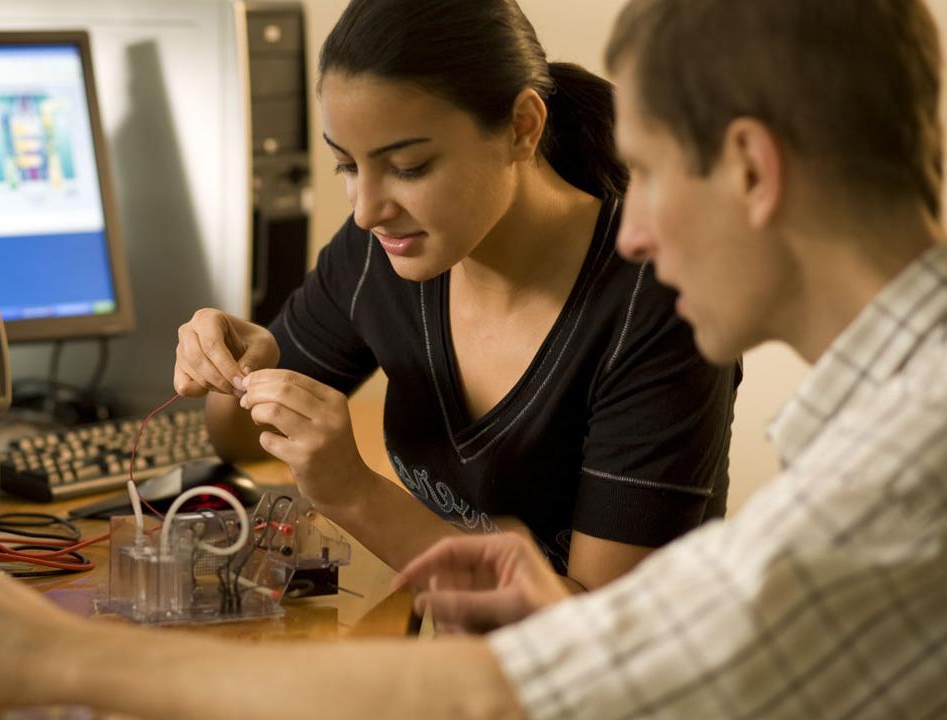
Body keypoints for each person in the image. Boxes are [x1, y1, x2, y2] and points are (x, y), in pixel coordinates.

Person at [0, 0, 947, 716]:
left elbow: (508, 693)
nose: (633, 229)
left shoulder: (904, 471)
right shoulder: (889, 420)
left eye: (650, 172)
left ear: (751, 171)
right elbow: (638, 661)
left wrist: (57, 659)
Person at [174, 0, 739, 588]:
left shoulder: (659, 306)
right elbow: (235, 441)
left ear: (523, 127)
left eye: (410, 166)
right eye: (346, 165)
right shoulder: (382, 251)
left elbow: (595, 634)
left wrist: (353, 493)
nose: (367, 211)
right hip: (471, 658)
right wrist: (244, 373)